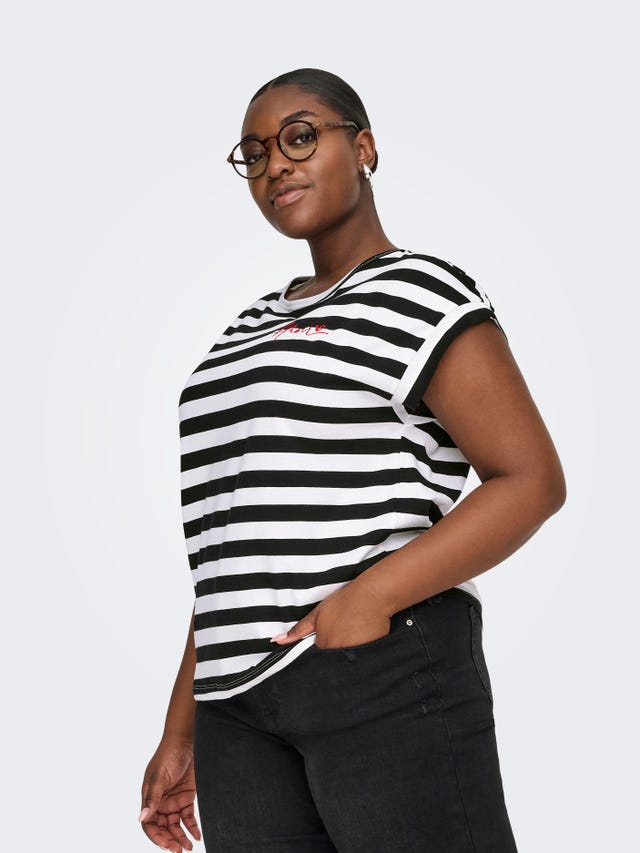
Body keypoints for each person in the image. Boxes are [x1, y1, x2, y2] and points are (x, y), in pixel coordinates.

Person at [139, 67, 566, 853]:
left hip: (380, 670)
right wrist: (182, 726)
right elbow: (235, 545)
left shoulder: (421, 292)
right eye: (255, 153)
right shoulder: (243, 329)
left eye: (300, 137)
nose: (276, 163)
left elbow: (531, 480)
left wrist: (366, 601)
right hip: (236, 709)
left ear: (363, 147)